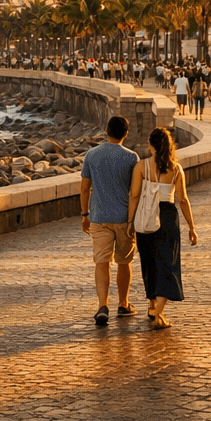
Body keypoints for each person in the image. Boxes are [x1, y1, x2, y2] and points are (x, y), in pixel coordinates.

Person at [80, 115, 143, 326]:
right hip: (124, 219)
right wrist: (133, 221)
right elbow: (135, 192)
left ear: (106, 130)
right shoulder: (132, 158)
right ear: (126, 133)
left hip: (98, 217)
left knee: (101, 262)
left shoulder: (91, 154)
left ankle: (102, 306)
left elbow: (84, 188)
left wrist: (84, 215)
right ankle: (123, 304)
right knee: (124, 262)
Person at [136, 127, 199, 330]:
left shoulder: (141, 167)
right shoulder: (176, 170)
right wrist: (192, 227)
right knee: (167, 263)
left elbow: (134, 196)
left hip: (145, 215)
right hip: (167, 216)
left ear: (150, 145)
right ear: (170, 146)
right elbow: (183, 200)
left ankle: (153, 305)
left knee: (149, 262)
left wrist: (130, 222)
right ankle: (158, 313)